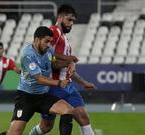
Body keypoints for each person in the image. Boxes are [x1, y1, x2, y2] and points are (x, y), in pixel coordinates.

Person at [29, 4, 97, 135]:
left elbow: (68, 70)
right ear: (60, 18)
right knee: (46, 126)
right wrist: (68, 62)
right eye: (69, 20)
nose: (71, 24)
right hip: (53, 87)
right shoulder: (53, 32)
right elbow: (48, 61)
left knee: (83, 117)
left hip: (68, 86)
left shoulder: (66, 42)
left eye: (73, 21)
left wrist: (83, 82)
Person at [5, 26, 75, 135]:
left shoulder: (48, 50)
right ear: (37, 40)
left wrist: (69, 63)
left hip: (42, 96)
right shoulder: (27, 54)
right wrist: (59, 83)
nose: (49, 45)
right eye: (46, 41)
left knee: (68, 110)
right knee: (14, 132)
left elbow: (53, 64)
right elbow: (39, 78)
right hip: (25, 97)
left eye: (50, 42)